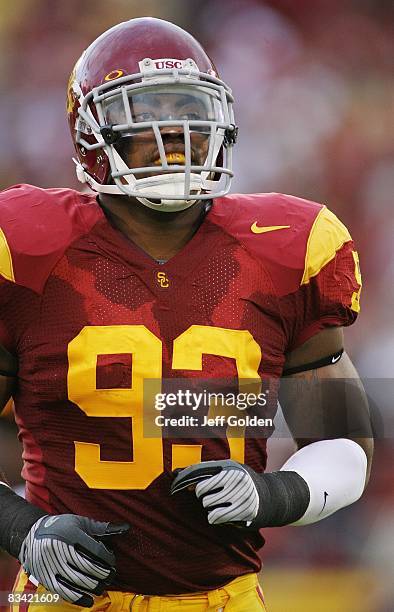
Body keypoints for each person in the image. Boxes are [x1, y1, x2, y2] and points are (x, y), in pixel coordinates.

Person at [0, 16, 373, 612]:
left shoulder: (288, 248)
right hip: (65, 598)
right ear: (92, 135)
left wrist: (271, 492)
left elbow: (346, 442)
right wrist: (25, 530)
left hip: (221, 599)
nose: (173, 136)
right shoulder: (28, 249)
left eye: (188, 113)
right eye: (143, 115)